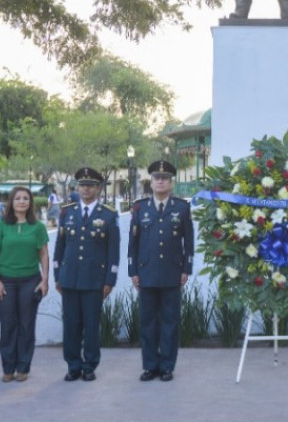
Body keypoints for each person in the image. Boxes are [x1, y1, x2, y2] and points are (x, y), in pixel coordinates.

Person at [128, 160, 194, 382]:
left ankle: (167, 366)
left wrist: (187, 269)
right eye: (157, 178)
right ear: (151, 181)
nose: (160, 181)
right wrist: (132, 271)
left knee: (170, 322)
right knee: (147, 323)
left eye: (165, 178)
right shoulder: (139, 207)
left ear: (171, 182)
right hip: (146, 273)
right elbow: (133, 243)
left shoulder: (182, 207)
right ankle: (150, 366)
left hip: (172, 273)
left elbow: (189, 242)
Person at [54, 167, 120, 382]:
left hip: (94, 280)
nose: (85, 189)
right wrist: (57, 275)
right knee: (71, 325)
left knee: (91, 325)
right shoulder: (67, 212)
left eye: (90, 185)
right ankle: (73, 365)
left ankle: (89, 365)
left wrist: (110, 280)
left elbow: (113, 251)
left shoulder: (108, 215)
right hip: (70, 279)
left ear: (98, 188)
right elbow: (60, 247)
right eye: (82, 185)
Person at [0, 185, 50, 382]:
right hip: (5, 281)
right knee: (8, 325)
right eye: (17, 198)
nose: (22, 201)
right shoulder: (1, 227)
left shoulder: (38, 227)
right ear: (11, 202)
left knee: (26, 324)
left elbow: (44, 253)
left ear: (30, 202)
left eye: (25, 198)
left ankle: (23, 367)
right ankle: (8, 368)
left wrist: (45, 279)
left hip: (30, 280)